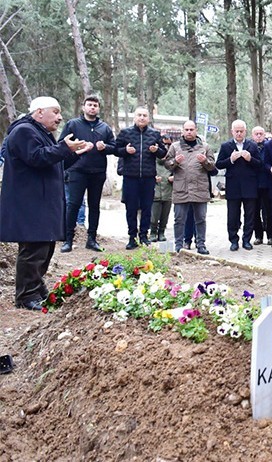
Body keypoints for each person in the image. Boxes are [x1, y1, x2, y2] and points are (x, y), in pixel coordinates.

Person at [0, 97, 93, 311]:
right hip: (30, 203)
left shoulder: (41, 133)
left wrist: (73, 154)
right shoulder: (24, 131)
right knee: (33, 249)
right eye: (56, 112)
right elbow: (37, 158)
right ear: (39, 112)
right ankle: (25, 296)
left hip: (41, 203)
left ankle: (37, 288)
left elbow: (54, 163)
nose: (60, 117)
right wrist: (63, 148)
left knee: (44, 247)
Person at [58, 95, 114, 253]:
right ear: (83, 107)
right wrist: (78, 148)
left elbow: (115, 147)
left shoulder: (105, 127)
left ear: (98, 108)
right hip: (77, 170)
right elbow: (62, 144)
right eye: (89, 105)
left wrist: (106, 147)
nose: (92, 107)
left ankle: (92, 239)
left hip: (97, 172)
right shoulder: (73, 124)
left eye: (95, 105)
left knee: (94, 206)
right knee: (73, 204)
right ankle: (67, 240)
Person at [114, 106, 167, 249]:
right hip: (130, 176)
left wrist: (157, 150)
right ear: (134, 117)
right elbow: (115, 150)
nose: (142, 118)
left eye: (144, 115)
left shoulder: (155, 134)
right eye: (139, 115)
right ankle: (132, 237)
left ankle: (144, 236)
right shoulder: (125, 133)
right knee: (131, 208)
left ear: (148, 118)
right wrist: (125, 150)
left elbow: (164, 153)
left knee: (146, 208)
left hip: (148, 177)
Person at [165, 121, 215, 254]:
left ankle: (201, 245)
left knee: (201, 219)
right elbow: (167, 164)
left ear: (196, 130)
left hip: (200, 188)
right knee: (179, 219)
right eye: (186, 129)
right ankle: (178, 245)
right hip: (181, 189)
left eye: (191, 129)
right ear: (182, 131)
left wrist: (204, 161)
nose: (189, 132)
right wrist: (175, 161)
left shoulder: (205, 147)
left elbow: (212, 167)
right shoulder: (175, 147)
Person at [215, 119, 261, 251]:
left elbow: (260, 164)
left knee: (250, 215)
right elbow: (219, 164)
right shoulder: (226, 146)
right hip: (233, 185)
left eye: (241, 131)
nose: (239, 134)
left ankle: (247, 240)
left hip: (250, 185)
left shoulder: (252, 146)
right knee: (233, 215)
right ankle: (233, 240)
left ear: (245, 131)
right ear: (232, 132)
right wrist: (231, 159)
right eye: (237, 131)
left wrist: (250, 159)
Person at [251, 126, 272, 245]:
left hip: (267, 183)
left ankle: (270, 235)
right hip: (253, 184)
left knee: (268, 211)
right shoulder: (249, 146)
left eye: (261, 133)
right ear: (252, 135)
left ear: (264, 135)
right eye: (256, 134)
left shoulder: (269, 146)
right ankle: (258, 236)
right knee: (254, 212)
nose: (259, 136)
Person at [151, 134, 174, 242]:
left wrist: (173, 178)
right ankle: (153, 232)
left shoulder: (170, 163)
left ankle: (162, 232)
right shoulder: (151, 162)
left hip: (168, 193)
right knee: (154, 216)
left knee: (165, 216)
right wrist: (153, 178)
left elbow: (179, 174)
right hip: (155, 193)